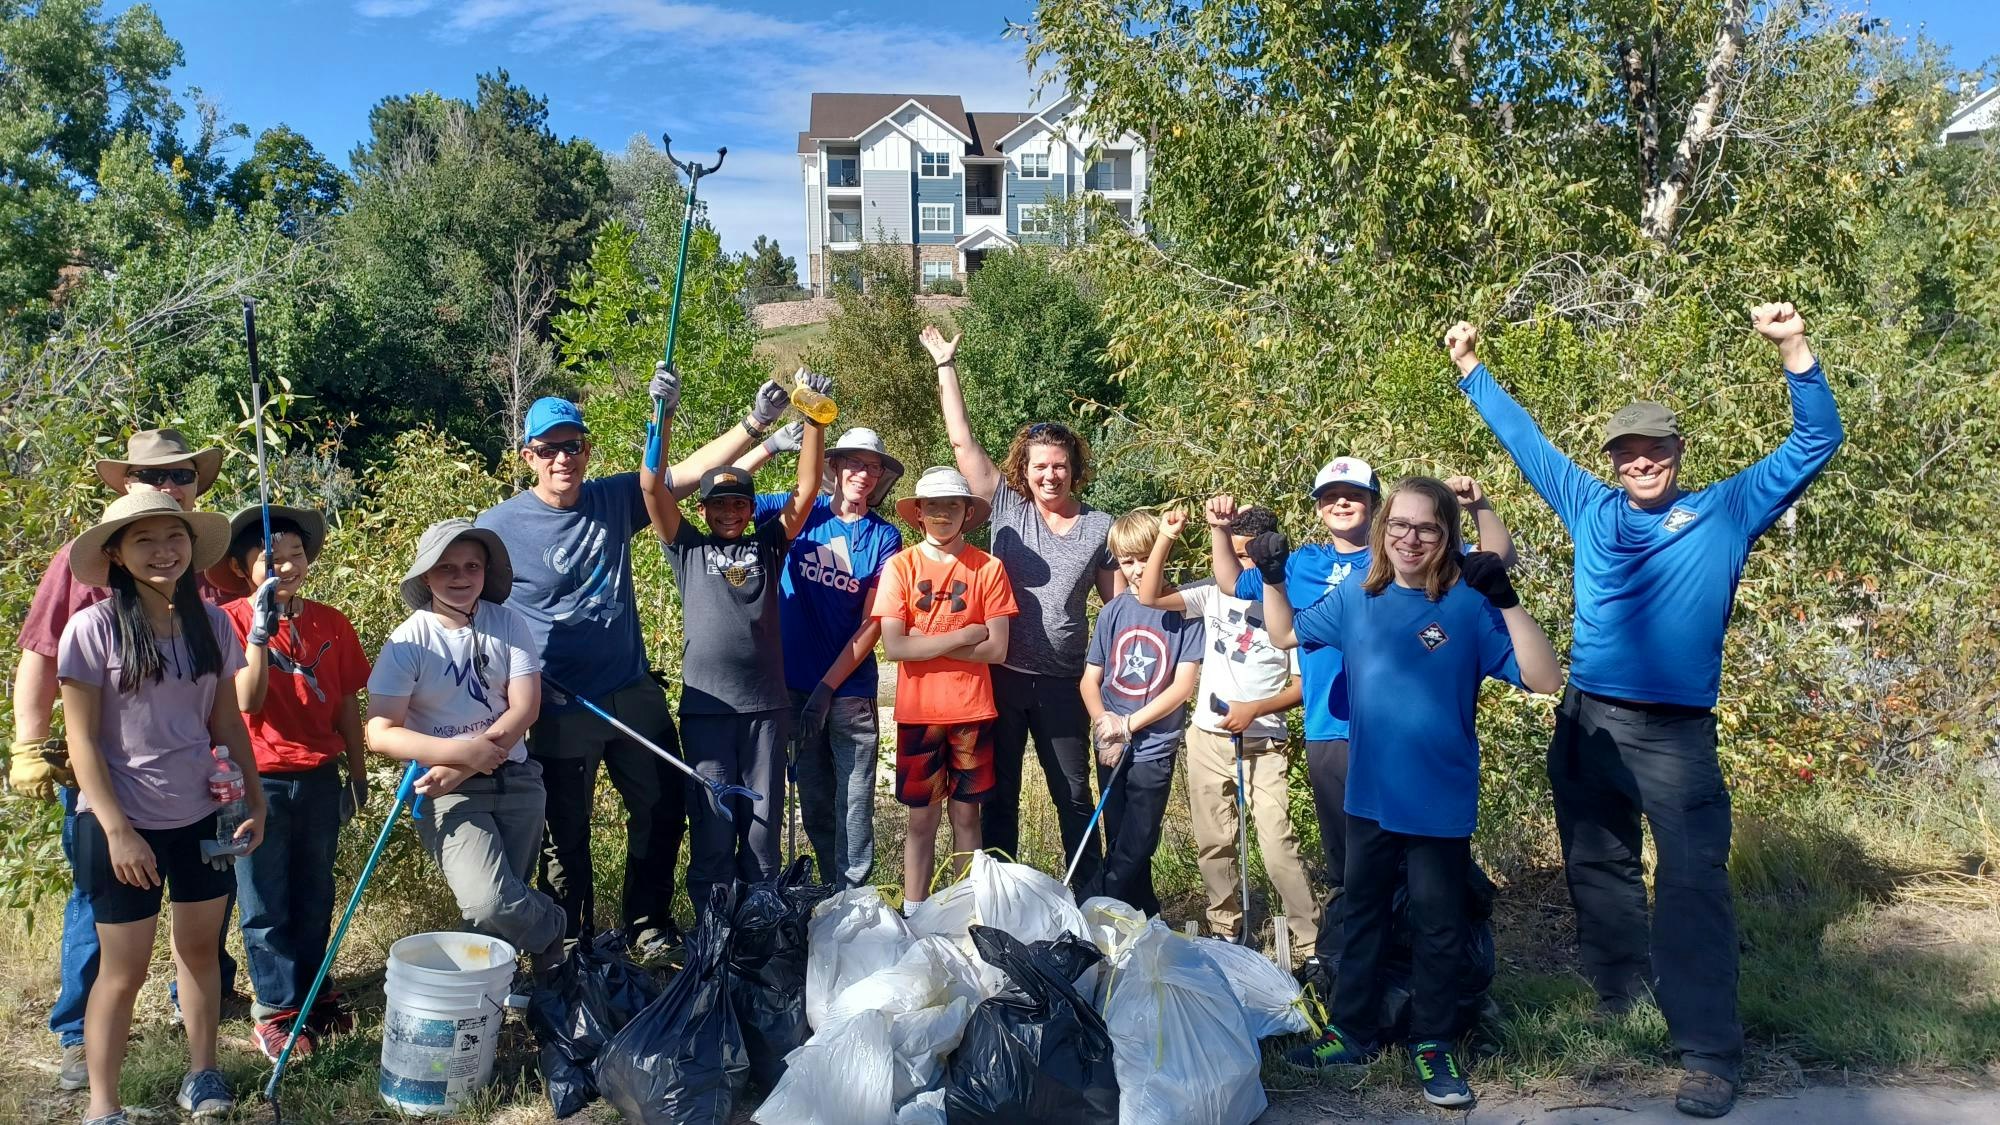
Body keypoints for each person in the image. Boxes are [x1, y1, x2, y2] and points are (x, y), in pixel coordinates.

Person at [1446, 303, 1843, 1118]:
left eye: (1654, 449)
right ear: (1615, 461)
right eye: (1627, 452)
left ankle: (1707, 1051)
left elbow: (1815, 444)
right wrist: (1470, 370)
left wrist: (1795, 351)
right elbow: (1529, 446)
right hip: (1588, 719)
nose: (1641, 463)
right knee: (1599, 865)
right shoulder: (1590, 506)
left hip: (1674, 734)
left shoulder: (1727, 509)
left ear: (1677, 454)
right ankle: (1623, 997)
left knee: (1693, 881)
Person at [1257, 477, 1563, 1109]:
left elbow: (1544, 676)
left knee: (1437, 925)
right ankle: (1352, 1031)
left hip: (1440, 801)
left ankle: (1434, 1042)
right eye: (1399, 524)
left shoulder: (1466, 606)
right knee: (1363, 915)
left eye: (1426, 527)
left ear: (1446, 534)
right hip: (1369, 796)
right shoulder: (1355, 600)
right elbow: (1285, 635)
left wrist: (1507, 601)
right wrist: (1272, 577)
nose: (1410, 537)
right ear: (1382, 530)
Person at [476, 365, 789, 955]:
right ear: (528, 457)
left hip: (629, 687)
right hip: (558, 700)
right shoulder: (496, 527)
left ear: (586, 450)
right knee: (566, 832)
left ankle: (648, 924)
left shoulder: (613, 497)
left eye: (573, 446)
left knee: (666, 804)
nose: (562, 458)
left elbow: (692, 474)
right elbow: (468, 604)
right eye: (548, 450)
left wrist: (759, 427)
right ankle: (570, 942)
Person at [1214, 458, 1515, 992]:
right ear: (1318, 506)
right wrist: (1228, 536)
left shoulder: (1411, 555)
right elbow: (1243, 590)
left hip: (1408, 740)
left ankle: (1429, 985)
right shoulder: (1308, 564)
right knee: (1352, 868)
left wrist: (1478, 507)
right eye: (1330, 495)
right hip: (1332, 728)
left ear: (1376, 506)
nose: (1341, 503)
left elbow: (1495, 566)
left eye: (1354, 494)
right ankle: (1350, 979)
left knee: (1424, 874)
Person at [6, 428, 236, 1090]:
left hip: (197, 794)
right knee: (106, 932)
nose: (168, 486)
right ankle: (82, 1041)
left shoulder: (205, 590)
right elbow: (41, 655)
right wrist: (27, 743)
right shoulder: (83, 584)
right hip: (110, 787)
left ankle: (202, 1062)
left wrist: (243, 787)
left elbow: (223, 706)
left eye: (181, 475)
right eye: (151, 475)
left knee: (196, 946)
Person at [55, 491, 264, 1124]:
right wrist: (118, 830)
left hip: (202, 814)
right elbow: (81, 740)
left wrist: (254, 797)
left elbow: (227, 720)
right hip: (120, 823)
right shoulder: (91, 629)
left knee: (200, 954)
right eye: (143, 540)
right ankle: (102, 1105)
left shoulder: (209, 622)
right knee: (124, 971)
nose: (162, 551)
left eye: (172, 537)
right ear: (115, 554)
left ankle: (203, 1076)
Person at [921, 324, 1120, 883]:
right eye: (1039, 466)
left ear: (1073, 467)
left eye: (1058, 465)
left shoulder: (1100, 526)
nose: (1049, 474)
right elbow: (962, 444)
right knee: (998, 796)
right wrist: (945, 366)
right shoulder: (1006, 505)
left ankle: (1089, 895)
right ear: (1023, 471)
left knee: (1073, 797)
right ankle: (1000, 894)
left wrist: (1123, 683)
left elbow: (1117, 609)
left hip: (1065, 681)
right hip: (1001, 675)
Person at [643, 391, 825, 919]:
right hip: (706, 715)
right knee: (713, 825)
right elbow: (653, 487)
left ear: (750, 508)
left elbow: (808, 488)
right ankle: (711, 932)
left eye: (738, 503)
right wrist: (664, 415)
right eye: (718, 504)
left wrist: (814, 416)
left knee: (764, 831)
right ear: (701, 510)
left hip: (767, 710)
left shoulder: (768, 543)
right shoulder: (688, 548)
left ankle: (759, 930)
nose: (728, 512)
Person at [207, 505, 370, 1059]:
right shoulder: (227, 621)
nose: (287, 566)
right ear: (241, 566)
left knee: (314, 889)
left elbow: (347, 700)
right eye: (270, 559)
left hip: (319, 775)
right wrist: (259, 628)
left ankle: (313, 992)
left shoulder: (331, 621)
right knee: (263, 897)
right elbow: (246, 700)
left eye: (296, 555)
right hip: (256, 778)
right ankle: (274, 1009)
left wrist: (358, 768)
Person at [366, 519, 565, 969]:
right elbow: (379, 732)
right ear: (425, 576)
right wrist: (458, 758)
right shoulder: (407, 641)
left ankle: (500, 997)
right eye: (446, 568)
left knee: (501, 907)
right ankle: (555, 928)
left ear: (485, 572)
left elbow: (525, 708)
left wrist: (469, 762)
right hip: (445, 790)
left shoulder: (507, 623)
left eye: (472, 567)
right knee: (487, 902)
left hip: (516, 778)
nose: (460, 577)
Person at [1135, 500, 1319, 951]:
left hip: (1263, 741)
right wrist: (1166, 537)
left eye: (1250, 556)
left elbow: (1302, 686)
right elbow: (1149, 595)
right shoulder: (1212, 592)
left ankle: (1311, 941)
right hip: (1207, 738)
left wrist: (1255, 708)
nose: (1241, 565)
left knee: (1277, 843)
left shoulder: (1289, 601)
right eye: (1234, 555)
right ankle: (1225, 927)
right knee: (1214, 841)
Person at [733, 420, 905, 889]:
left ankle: (857, 902)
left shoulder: (884, 538)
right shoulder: (797, 512)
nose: (863, 474)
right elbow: (727, 490)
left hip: (848, 693)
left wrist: (828, 688)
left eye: (873, 467)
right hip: (791, 685)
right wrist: (767, 444)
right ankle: (831, 896)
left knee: (854, 804)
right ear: (834, 466)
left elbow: (873, 622)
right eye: (854, 463)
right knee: (814, 802)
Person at [872, 467, 1017, 911]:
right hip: (920, 714)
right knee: (921, 819)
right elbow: (895, 645)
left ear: (967, 512)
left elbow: (996, 650)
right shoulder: (900, 566)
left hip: (972, 710)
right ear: (918, 513)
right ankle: (916, 911)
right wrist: (961, 635)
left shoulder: (988, 568)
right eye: (933, 506)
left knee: (966, 816)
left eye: (952, 505)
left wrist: (928, 647)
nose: (942, 514)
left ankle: (963, 909)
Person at [1080, 510, 1204, 916]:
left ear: (1162, 554)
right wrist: (1104, 722)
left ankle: (1093, 905)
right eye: (1127, 560)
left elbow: (1182, 687)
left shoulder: (1184, 610)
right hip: (1111, 739)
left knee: (1140, 836)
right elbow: (1090, 680)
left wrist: (1129, 725)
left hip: (1153, 744)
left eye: (1145, 558)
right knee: (1118, 834)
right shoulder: (1113, 611)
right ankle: (1143, 914)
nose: (1137, 569)